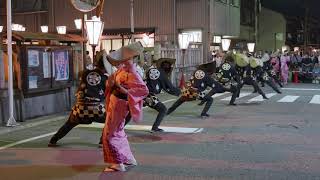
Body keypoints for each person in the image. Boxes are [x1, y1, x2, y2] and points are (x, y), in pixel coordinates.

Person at [102, 42, 148, 172]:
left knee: (110, 133)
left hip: (119, 104)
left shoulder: (132, 71)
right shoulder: (125, 70)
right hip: (117, 102)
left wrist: (119, 87)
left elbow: (143, 90)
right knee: (118, 130)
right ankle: (128, 159)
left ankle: (117, 163)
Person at [48, 50, 108, 147]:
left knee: (69, 123)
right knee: (110, 121)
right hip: (97, 109)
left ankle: (53, 140)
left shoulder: (85, 73)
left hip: (80, 108)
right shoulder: (105, 78)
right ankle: (102, 141)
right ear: (105, 68)